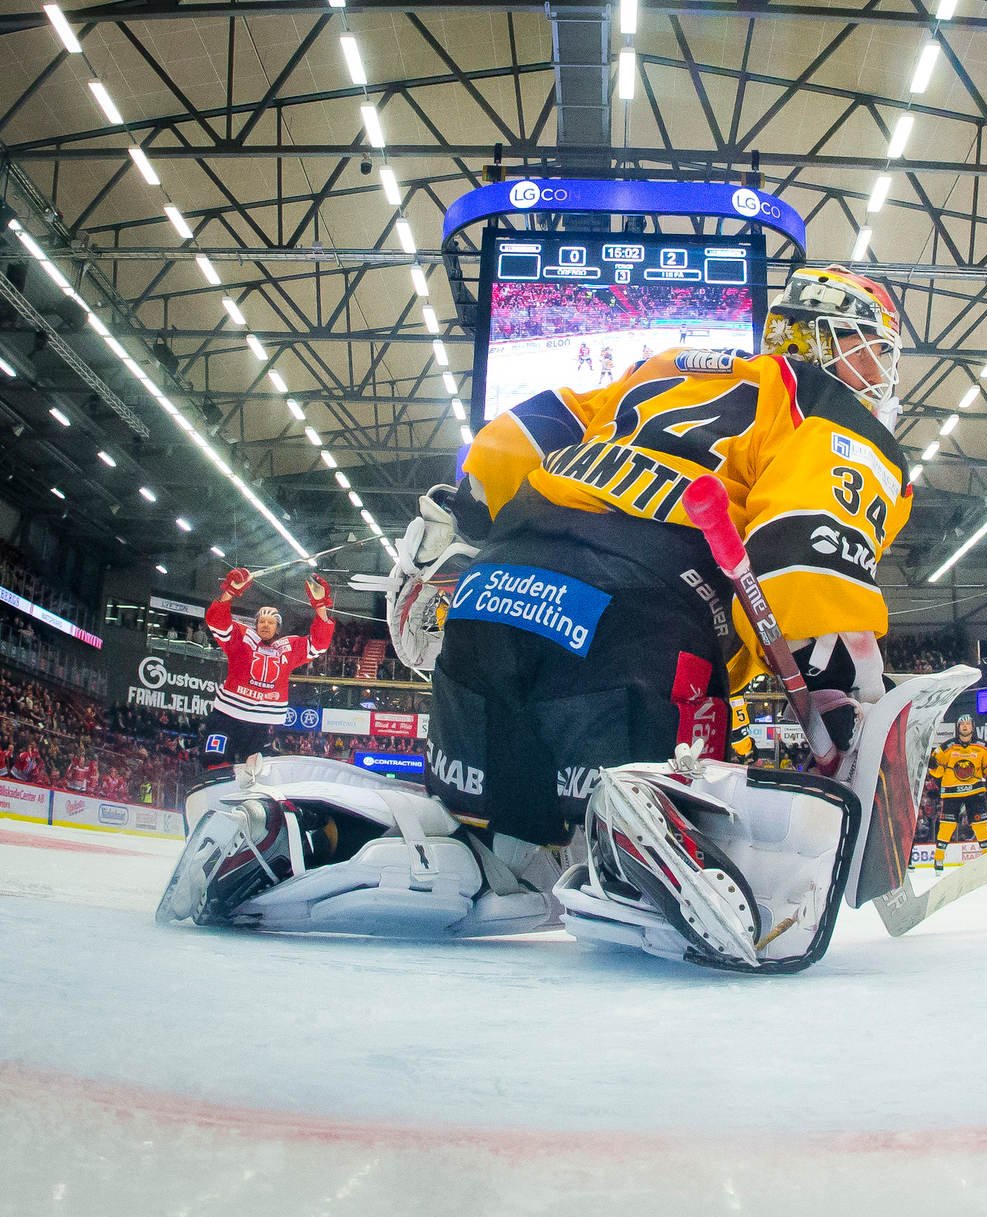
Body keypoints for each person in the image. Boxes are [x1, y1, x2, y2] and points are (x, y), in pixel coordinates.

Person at [162, 265, 915, 973]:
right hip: (640, 621)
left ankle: (296, 832)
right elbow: (807, 559)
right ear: (818, 337)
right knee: (671, 789)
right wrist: (844, 704)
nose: (880, 370)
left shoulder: (664, 368)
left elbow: (520, 433)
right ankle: (647, 819)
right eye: (872, 347)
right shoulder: (822, 410)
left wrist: (461, 519)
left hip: (491, 598)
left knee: (492, 855)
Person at [201, 568, 334, 768]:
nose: (265, 625)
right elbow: (216, 622)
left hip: (262, 720)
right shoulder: (242, 637)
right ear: (255, 624)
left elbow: (319, 645)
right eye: (261, 621)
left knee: (257, 770)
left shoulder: (287, 648)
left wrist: (320, 607)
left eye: (271, 622)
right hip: (227, 713)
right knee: (215, 762)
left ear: (278, 628)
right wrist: (229, 592)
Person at [928, 713, 987, 872]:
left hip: (975, 790)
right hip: (951, 792)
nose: (965, 726)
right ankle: (938, 858)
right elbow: (938, 771)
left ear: (973, 726)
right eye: (962, 724)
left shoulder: (984, 747)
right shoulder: (947, 747)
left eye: (968, 724)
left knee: (980, 824)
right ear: (958, 727)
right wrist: (933, 766)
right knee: (947, 826)